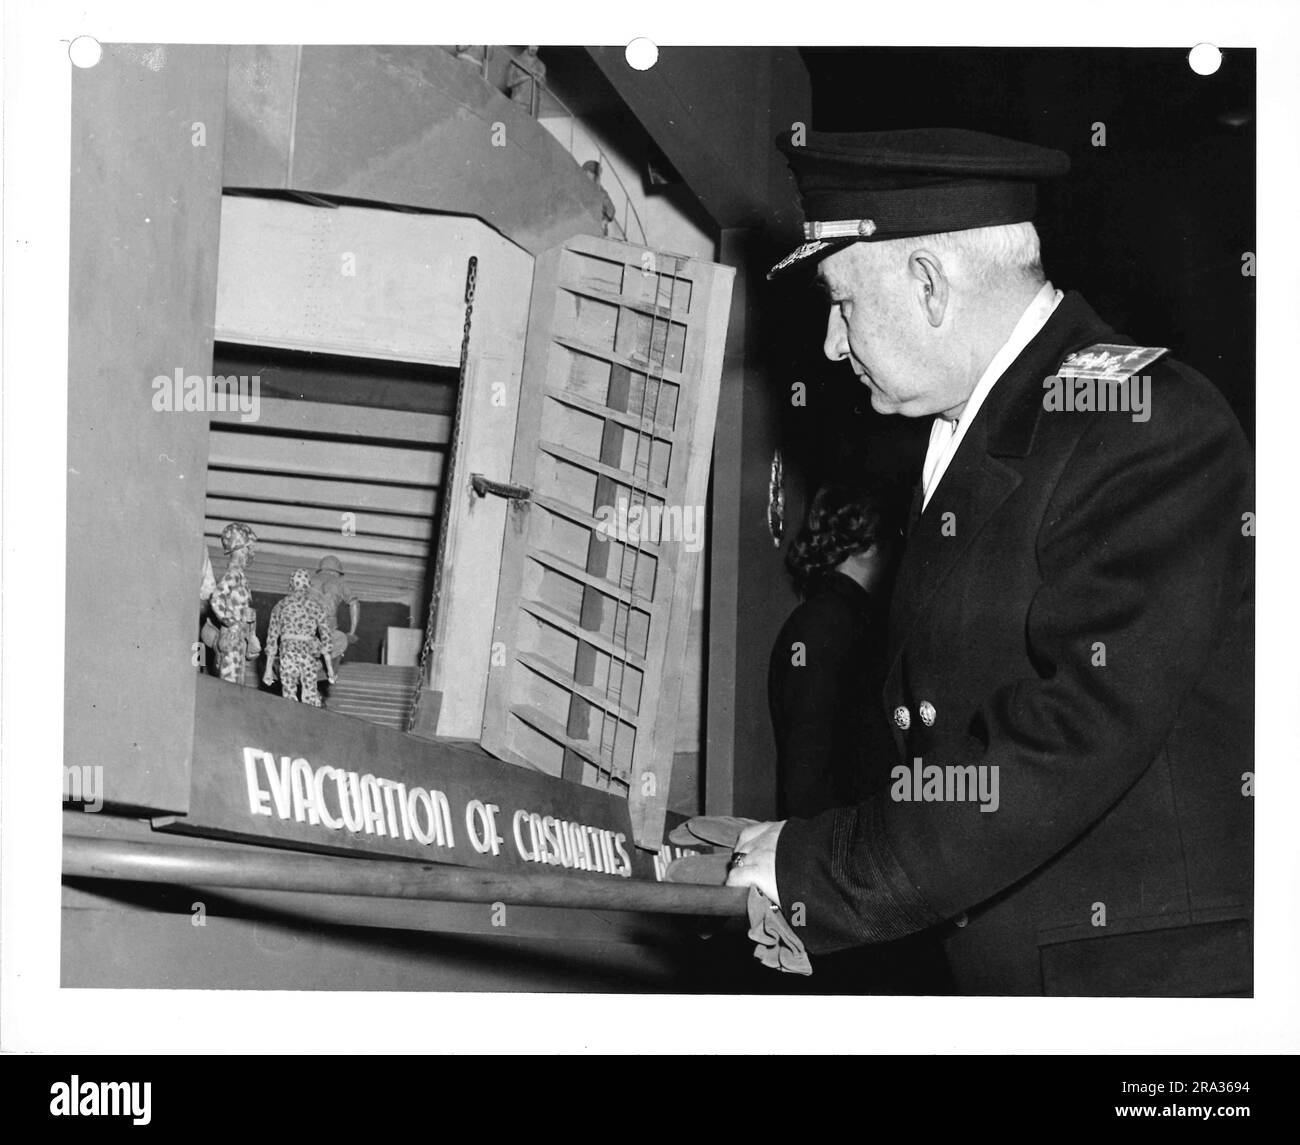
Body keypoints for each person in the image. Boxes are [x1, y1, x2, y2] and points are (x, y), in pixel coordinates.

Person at [726, 128, 1254, 997]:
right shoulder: (978, 428)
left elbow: (1070, 735)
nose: (828, 343)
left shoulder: (1141, 420)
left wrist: (822, 869)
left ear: (928, 283)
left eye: (842, 304)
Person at [769, 480, 952, 993]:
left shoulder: (844, 620)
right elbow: (808, 769)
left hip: (855, 867)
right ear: (868, 544)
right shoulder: (829, 623)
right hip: (847, 873)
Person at [309, 555, 360, 669]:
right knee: (341, 640)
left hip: (304, 625)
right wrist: (351, 632)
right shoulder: (339, 582)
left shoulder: (309, 580)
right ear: (337, 572)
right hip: (328, 627)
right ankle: (320, 663)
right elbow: (354, 603)